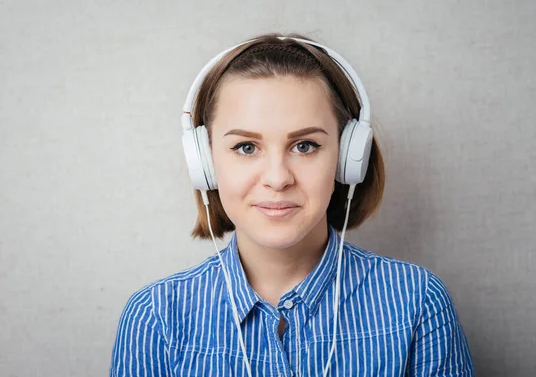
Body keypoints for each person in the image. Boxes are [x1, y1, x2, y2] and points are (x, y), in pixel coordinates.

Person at [109, 33, 475, 376]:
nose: (278, 177)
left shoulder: (417, 303)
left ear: (348, 158)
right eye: (246, 147)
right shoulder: (156, 316)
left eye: (305, 146)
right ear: (204, 164)